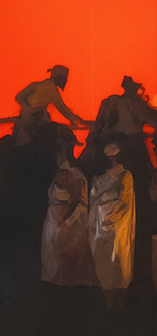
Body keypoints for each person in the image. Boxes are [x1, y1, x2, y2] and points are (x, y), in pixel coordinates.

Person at [41, 133, 95, 287]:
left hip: (71, 225)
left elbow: (80, 203)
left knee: (70, 262)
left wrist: (67, 221)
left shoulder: (75, 175)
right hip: (57, 221)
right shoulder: (60, 173)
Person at [89, 141, 135, 307]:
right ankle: (106, 301)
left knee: (118, 263)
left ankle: (119, 302)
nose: (113, 160)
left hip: (118, 227)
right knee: (102, 263)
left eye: (115, 156)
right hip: (99, 227)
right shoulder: (98, 179)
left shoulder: (125, 175)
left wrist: (112, 216)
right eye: (110, 157)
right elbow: (94, 198)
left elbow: (125, 200)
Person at [14, 65, 88, 146]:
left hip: (33, 115)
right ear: (58, 78)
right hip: (33, 119)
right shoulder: (51, 89)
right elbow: (61, 107)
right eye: (63, 79)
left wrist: (26, 108)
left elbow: (19, 96)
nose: (65, 81)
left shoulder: (37, 84)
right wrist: (73, 117)